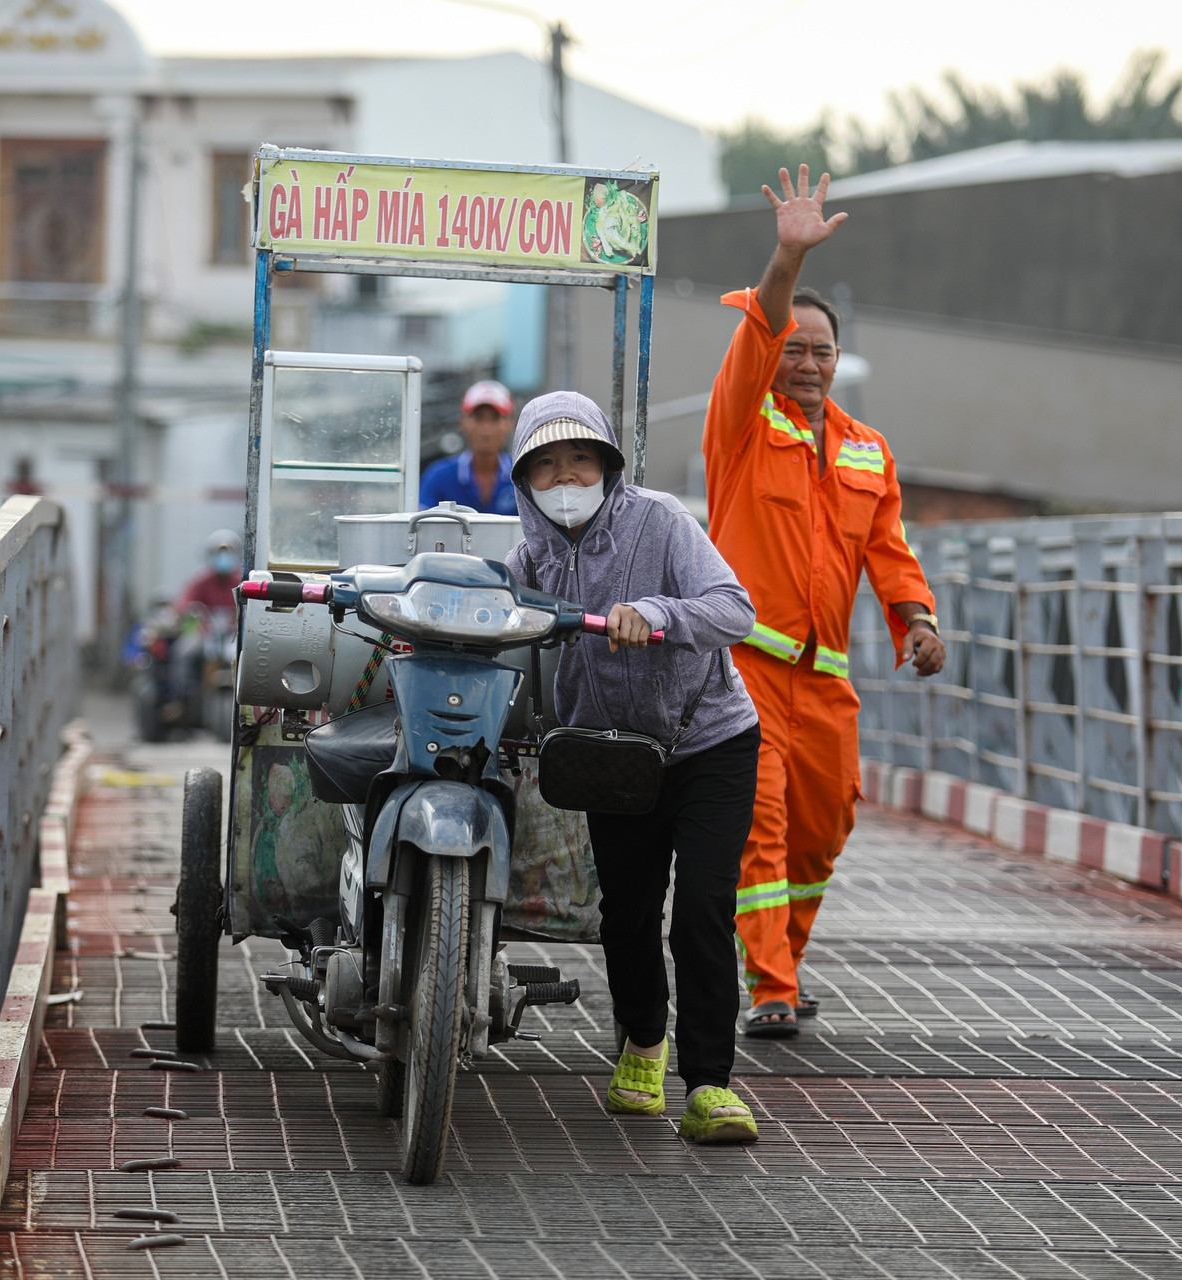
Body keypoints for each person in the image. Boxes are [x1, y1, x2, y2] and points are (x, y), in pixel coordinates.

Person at [703, 166, 948, 1038]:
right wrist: (787, 258)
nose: (806, 364)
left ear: (839, 363)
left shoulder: (866, 452)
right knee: (759, 826)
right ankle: (769, 984)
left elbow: (889, 550)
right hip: (744, 670)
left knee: (822, 827)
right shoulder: (741, 424)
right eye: (794, 350)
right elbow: (764, 323)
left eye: (822, 353)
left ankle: (785, 959)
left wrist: (915, 618)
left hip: (826, 680)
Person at [505, 390, 765, 1144]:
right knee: (626, 912)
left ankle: (711, 1084)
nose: (565, 477)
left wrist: (657, 614)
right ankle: (643, 1048)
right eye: (546, 465)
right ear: (524, 483)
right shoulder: (527, 560)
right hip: (613, 759)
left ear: (609, 464)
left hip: (709, 743)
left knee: (702, 911)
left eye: (580, 459)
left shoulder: (663, 520)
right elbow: (502, 636)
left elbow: (735, 609)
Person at [419, 379, 518, 513]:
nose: (486, 428)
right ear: (463, 423)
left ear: (509, 425)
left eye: (494, 419)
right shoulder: (439, 476)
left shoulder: (523, 477)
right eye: (478, 418)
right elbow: (420, 524)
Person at [173, 529, 243, 612]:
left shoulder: (241, 583)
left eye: (228, 553)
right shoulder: (201, 582)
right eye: (219, 553)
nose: (223, 557)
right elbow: (182, 606)